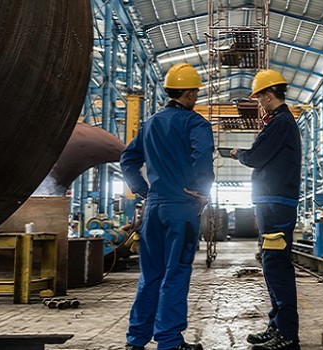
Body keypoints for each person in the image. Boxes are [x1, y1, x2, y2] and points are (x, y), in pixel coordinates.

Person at [121, 63, 214, 350]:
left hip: (154, 209)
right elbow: (203, 157)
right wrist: (203, 190)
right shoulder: (196, 124)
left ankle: (136, 340)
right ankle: (169, 341)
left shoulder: (149, 124)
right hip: (182, 209)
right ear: (186, 94)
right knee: (175, 274)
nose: (197, 96)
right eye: (195, 92)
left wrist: (143, 191)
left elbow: (128, 160)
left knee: (150, 276)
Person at [230, 69, 302, 350]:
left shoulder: (281, 123)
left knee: (277, 266)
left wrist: (240, 154)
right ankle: (277, 326)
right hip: (271, 203)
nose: (259, 103)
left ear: (269, 95)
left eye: (259, 98)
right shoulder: (278, 122)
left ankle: (288, 335)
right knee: (271, 265)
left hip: (276, 205)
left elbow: (257, 157)